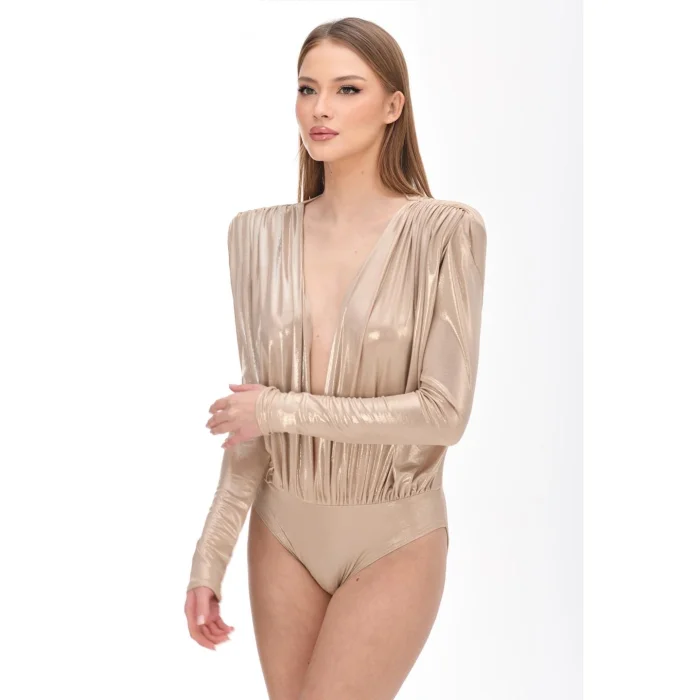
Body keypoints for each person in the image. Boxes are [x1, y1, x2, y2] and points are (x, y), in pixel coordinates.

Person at [184, 16, 487, 700]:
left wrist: (280, 410)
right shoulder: (255, 236)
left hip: (395, 537)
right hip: (282, 533)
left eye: (347, 89)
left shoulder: (446, 232)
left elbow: (444, 414)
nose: (320, 108)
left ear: (393, 105)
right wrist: (210, 557)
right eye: (307, 88)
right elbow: (253, 426)